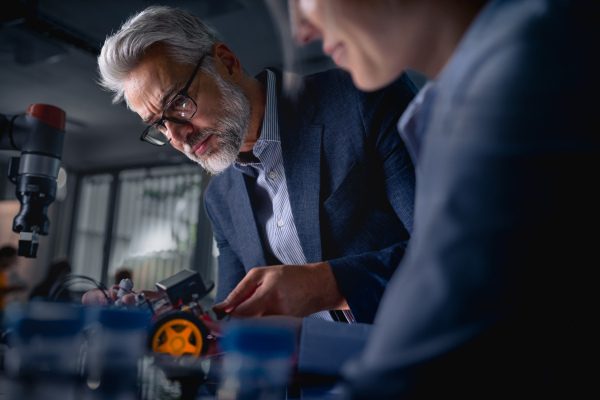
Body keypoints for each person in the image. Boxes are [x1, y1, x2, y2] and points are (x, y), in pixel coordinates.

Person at [207, 0, 598, 398]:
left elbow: (449, 314)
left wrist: (328, 284)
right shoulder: (460, 94)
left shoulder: (524, 70)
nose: (302, 32)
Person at [85, 5, 417, 325]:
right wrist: (173, 320)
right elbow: (234, 319)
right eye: (158, 124)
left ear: (227, 63)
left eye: (178, 103)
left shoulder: (362, 100)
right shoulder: (220, 199)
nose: (177, 136)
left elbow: (455, 249)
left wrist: (323, 285)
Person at [0, 245, 26, 323]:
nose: (13, 263)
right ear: (4, 257)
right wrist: (14, 288)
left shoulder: (3, 273)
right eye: (12, 259)